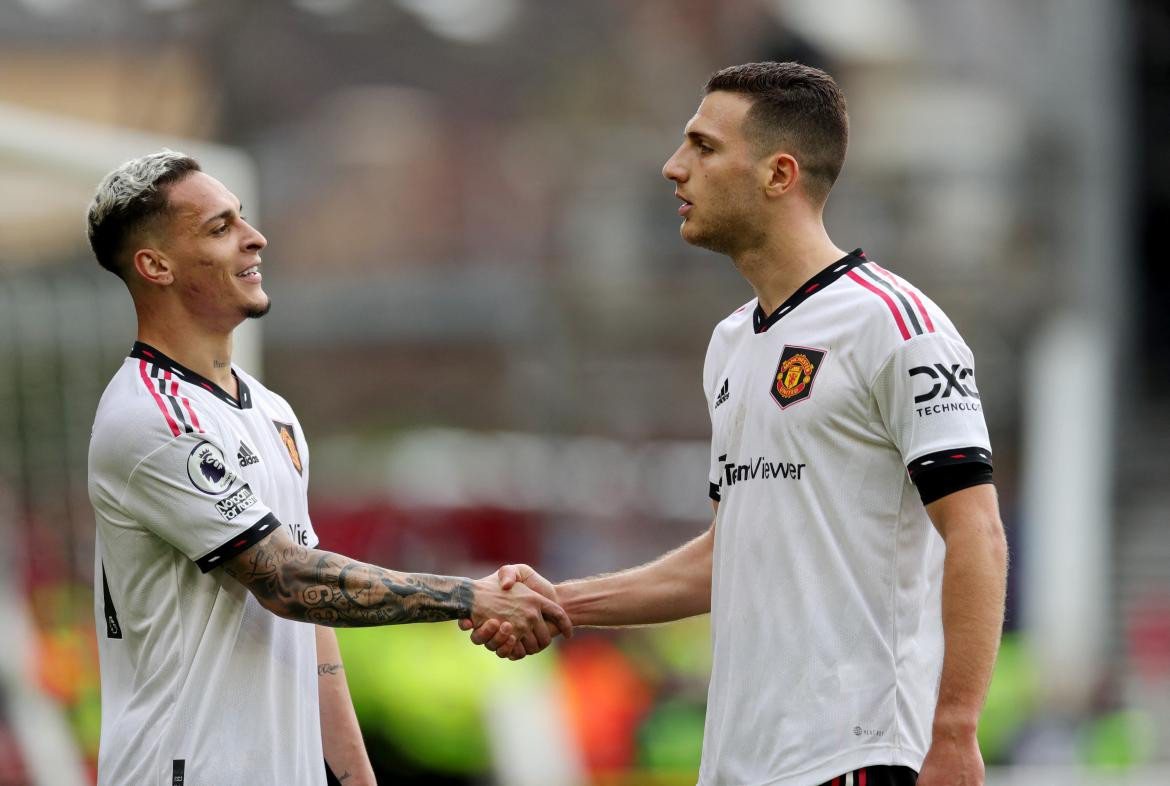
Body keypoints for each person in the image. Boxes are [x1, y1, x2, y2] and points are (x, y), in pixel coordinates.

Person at [464, 62, 1008, 786]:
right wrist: (557, 604)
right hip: (737, 763)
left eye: (703, 147)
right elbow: (728, 556)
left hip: (855, 757)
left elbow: (976, 531)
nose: (673, 167)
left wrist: (954, 734)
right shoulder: (731, 344)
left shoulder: (897, 325)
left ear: (779, 175)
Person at [84, 151, 572, 786]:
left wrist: (355, 776)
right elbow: (287, 579)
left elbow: (311, 617)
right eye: (219, 227)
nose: (254, 238)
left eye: (244, 219)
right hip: (186, 768)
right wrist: (470, 596)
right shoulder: (152, 418)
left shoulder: (272, 411)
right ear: (155, 266)